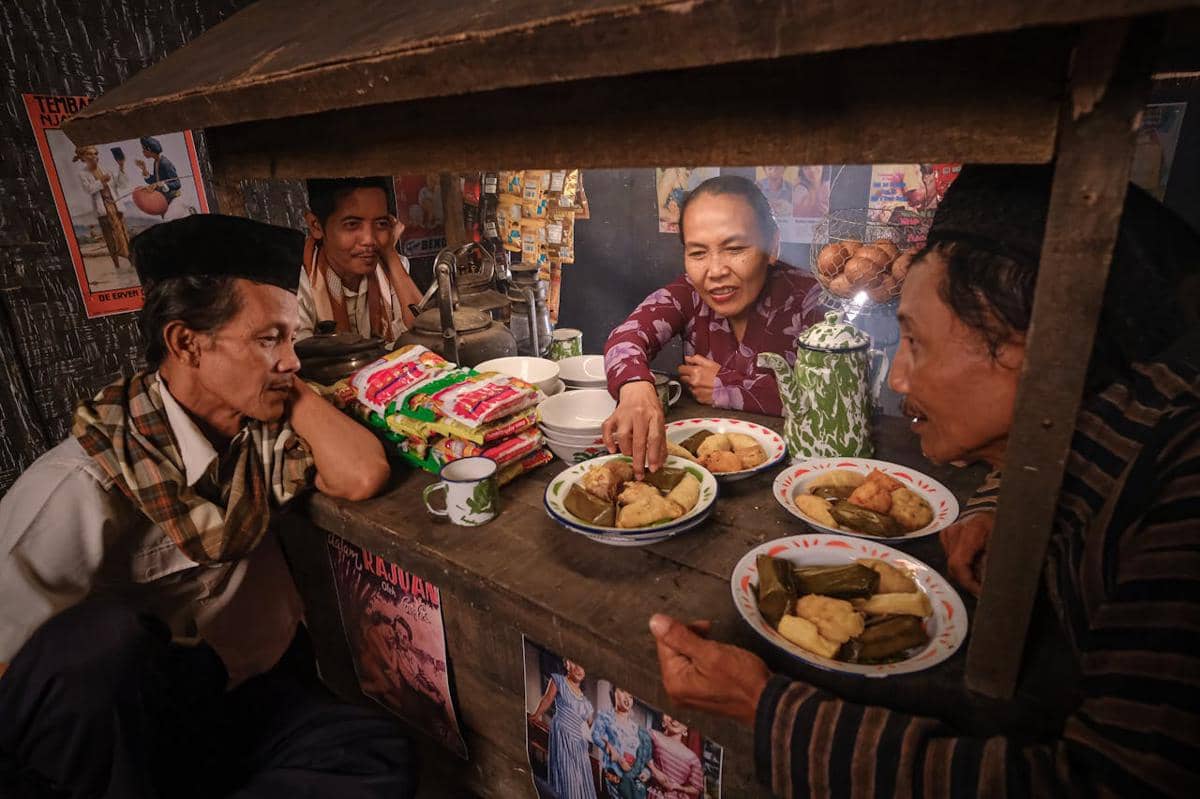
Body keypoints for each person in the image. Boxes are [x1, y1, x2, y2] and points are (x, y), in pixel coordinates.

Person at [647, 165, 1200, 796]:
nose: (898, 378)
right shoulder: (1123, 429)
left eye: (914, 339)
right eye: (698, 250)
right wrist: (996, 504)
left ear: (1033, 346)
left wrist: (766, 708)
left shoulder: (1181, 497)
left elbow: (1106, 786)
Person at [0, 214, 417, 799]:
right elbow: (22, 675)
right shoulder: (81, 481)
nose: (293, 358)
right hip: (137, 736)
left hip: (241, 701)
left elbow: (361, 472)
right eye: (268, 339)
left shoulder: (258, 437)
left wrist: (281, 377)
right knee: (98, 641)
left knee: (377, 753)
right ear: (185, 343)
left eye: (291, 337)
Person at [603, 175, 822, 476]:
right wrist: (635, 387)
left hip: (799, 472)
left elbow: (826, 404)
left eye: (735, 249)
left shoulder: (811, 299)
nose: (716, 271)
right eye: (697, 253)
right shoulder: (688, 293)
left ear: (772, 245)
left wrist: (726, 386)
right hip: (705, 474)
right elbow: (626, 338)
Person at [300, 176, 424, 344]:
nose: (369, 240)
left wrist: (390, 253)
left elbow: (426, 334)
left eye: (381, 223)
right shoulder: (299, 285)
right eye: (352, 224)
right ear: (316, 225)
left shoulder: (393, 269)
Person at [530, 659, 599, 799]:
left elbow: (593, 727)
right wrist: (536, 715)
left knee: (580, 781)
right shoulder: (559, 681)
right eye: (575, 663)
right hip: (562, 737)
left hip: (579, 746)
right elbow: (547, 699)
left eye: (582, 666)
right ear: (567, 664)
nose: (579, 669)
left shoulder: (585, 702)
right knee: (566, 777)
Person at [73, 144, 131, 273]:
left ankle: (131, 260)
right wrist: (101, 181)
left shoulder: (107, 169)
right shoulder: (83, 174)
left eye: (95, 153)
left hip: (115, 206)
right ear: (83, 157)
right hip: (103, 209)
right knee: (110, 237)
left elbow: (122, 185)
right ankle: (117, 264)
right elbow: (89, 190)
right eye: (90, 154)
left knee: (123, 233)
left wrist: (121, 166)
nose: (94, 156)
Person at [591, 687, 653, 799]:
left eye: (631, 696)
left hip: (631, 784)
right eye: (623, 692)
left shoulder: (636, 729)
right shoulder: (605, 717)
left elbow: (644, 761)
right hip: (612, 779)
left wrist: (645, 773)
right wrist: (614, 753)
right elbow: (595, 736)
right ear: (614, 693)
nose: (627, 698)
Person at [647, 714, 704, 799]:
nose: (675, 721)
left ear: (686, 728)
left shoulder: (692, 758)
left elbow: (696, 788)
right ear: (663, 719)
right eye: (671, 714)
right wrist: (654, 771)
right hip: (650, 793)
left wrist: (678, 787)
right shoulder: (652, 735)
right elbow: (640, 757)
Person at [135, 135, 188, 220]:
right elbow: (155, 180)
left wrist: (162, 184)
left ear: (149, 150)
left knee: (167, 218)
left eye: (144, 149)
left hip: (175, 199)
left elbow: (177, 183)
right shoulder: (156, 162)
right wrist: (144, 169)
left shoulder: (165, 163)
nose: (143, 152)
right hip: (166, 200)